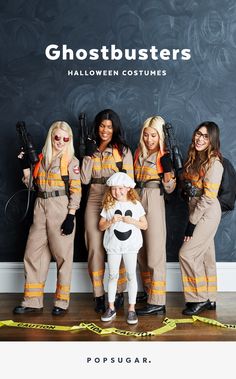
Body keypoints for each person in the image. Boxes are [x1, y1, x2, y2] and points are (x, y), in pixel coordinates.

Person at [13, 121, 81, 316]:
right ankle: (32, 301)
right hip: (40, 207)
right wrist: (25, 167)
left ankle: (61, 301)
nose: (60, 141)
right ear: (51, 137)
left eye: (65, 138)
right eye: (57, 137)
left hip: (60, 207)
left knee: (63, 256)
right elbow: (31, 186)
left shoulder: (71, 161)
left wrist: (71, 216)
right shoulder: (41, 159)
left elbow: (76, 191)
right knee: (32, 253)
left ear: (70, 140)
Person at [80, 109, 134, 313]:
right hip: (94, 197)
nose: (105, 130)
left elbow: (129, 182)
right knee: (94, 246)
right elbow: (84, 179)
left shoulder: (123, 150)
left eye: (109, 126)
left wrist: (125, 205)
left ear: (115, 129)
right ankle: (99, 294)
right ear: (97, 127)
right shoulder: (90, 148)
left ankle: (119, 291)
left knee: (116, 246)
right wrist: (87, 154)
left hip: (115, 198)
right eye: (102, 125)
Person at [179, 121, 223, 315]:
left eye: (206, 136)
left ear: (212, 140)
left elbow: (207, 198)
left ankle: (199, 298)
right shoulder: (194, 159)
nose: (200, 139)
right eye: (198, 134)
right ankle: (211, 297)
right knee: (206, 256)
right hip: (195, 209)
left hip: (207, 212)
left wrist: (191, 223)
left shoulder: (215, 164)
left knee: (186, 254)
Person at [134, 116, 176, 316]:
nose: (149, 139)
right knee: (140, 251)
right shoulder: (138, 153)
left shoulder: (164, 156)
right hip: (136, 198)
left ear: (160, 136)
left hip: (154, 199)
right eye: (146, 134)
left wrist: (167, 171)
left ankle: (158, 301)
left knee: (155, 253)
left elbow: (170, 189)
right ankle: (149, 293)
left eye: (154, 135)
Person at [99, 172, 147, 324]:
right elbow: (100, 227)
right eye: (113, 189)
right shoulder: (109, 205)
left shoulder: (135, 205)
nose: (116, 192)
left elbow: (145, 225)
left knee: (131, 275)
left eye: (120, 189)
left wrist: (132, 221)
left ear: (127, 189)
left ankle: (132, 309)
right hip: (113, 246)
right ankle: (111, 307)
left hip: (130, 247)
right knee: (113, 276)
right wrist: (111, 221)